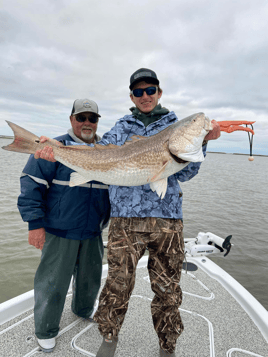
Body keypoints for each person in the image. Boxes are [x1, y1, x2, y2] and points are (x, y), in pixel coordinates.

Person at [36, 69, 220, 357]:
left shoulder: (174, 125)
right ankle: (109, 338)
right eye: (138, 91)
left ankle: (167, 347)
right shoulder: (123, 126)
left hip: (167, 221)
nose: (144, 96)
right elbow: (98, 151)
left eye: (150, 90)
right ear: (132, 97)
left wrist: (204, 140)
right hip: (125, 220)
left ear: (159, 93)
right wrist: (59, 148)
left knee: (168, 290)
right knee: (117, 285)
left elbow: (187, 173)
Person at [17, 99, 110, 353]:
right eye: (81, 118)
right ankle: (45, 329)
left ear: (98, 122)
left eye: (93, 118)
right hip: (60, 230)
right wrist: (34, 224)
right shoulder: (53, 148)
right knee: (52, 282)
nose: (87, 123)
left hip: (93, 231)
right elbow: (31, 183)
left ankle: (82, 311)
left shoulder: (107, 151)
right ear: (71, 120)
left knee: (90, 280)